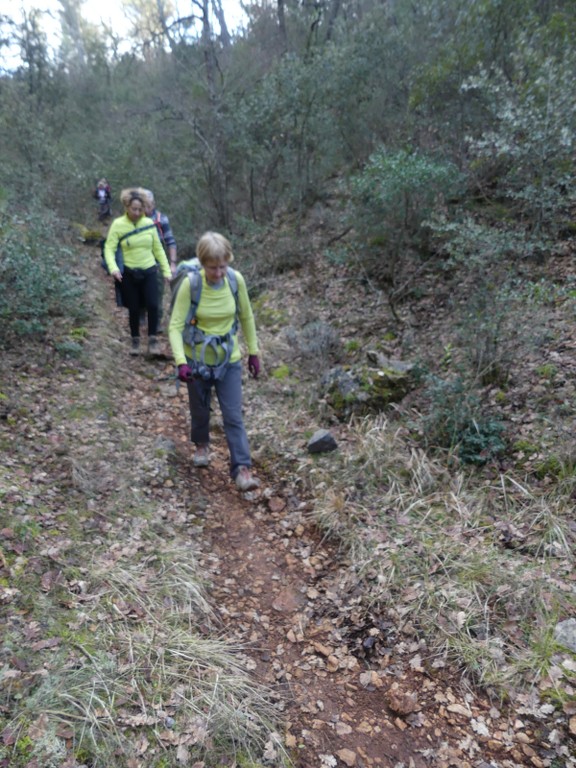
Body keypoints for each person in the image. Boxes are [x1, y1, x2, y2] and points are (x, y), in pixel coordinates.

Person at [169, 231, 261, 491]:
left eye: (223, 266)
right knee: (200, 409)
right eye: (212, 267)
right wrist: (181, 362)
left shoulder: (235, 280)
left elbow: (247, 316)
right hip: (196, 359)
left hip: (228, 359)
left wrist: (253, 352)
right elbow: (175, 326)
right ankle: (201, 444)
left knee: (233, 415)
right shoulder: (191, 284)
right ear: (202, 263)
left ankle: (242, 470)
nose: (219, 273)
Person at [103, 188, 171, 356]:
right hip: (128, 272)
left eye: (140, 209)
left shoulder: (149, 224)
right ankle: (135, 340)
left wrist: (166, 270)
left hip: (149, 270)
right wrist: (113, 268)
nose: (137, 212)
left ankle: (153, 340)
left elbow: (158, 249)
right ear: (127, 207)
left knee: (153, 305)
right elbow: (109, 248)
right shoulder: (118, 225)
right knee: (133, 308)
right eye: (134, 209)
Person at [140, 189, 178, 331]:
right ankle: (141, 311)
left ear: (153, 204)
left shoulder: (162, 219)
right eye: (143, 206)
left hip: (157, 261)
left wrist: (172, 263)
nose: (146, 210)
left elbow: (170, 242)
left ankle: (156, 321)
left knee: (158, 291)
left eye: (148, 206)